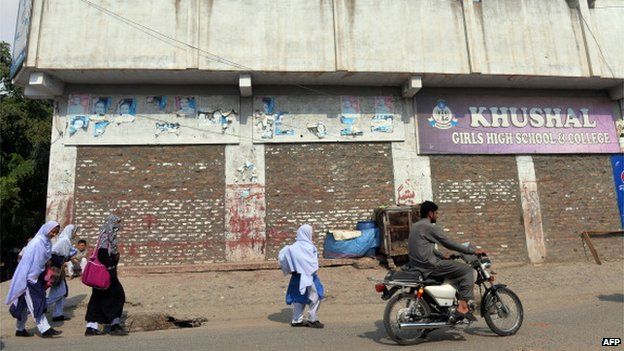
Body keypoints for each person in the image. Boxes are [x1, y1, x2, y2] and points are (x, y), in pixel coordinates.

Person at [408, 201, 485, 321]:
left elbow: (429, 248)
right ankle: (463, 307)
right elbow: (448, 243)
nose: (437, 216)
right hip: (429, 266)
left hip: (417, 265)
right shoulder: (429, 227)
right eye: (436, 213)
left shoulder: (415, 226)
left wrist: (443, 257)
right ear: (430, 213)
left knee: (453, 269)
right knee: (467, 271)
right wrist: (471, 251)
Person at [5, 221, 63, 338]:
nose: (53, 234)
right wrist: (32, 278)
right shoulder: (37, 243)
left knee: (24, 305)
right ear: (47, 229)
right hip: (30, 278)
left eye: (56, 233)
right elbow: (31, 262)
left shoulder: (46, 242)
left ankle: (20, 329)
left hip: (36, 277)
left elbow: (43, 261)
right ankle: (45, 329)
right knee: (36, 303)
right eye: (52, 231)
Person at [84, 215, 128, 336]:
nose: (118, 226)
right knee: (118, 296)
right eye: (117, 223)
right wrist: (110, 266)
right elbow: (102, 253)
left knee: (98, 298)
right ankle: (114, 325)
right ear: (111, 223)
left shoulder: (108, 235)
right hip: (107, 274)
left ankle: (91, 327)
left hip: (104, 274)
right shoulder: (106, 235)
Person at [278, 224, 325, 329]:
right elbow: (313, 263)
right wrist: (307, 270)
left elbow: (285, 261)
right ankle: (312, 319)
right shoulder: (310, 247)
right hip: (310, 277)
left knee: (298, 298)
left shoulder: (292, 248)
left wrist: (294, 269)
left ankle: (296, 320)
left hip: (296, 277)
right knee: (316, 296)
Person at [47, 225, 76, 322]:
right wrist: (61, 262)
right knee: (62, 292)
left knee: (63, 292)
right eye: (74, 231)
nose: (75, 233)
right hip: (56, 270)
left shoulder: (66, 241)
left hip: (60, 270)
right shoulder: (64, 241)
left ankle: (58, 314)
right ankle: (40, 306)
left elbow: (63, 255)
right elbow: (53, 253)